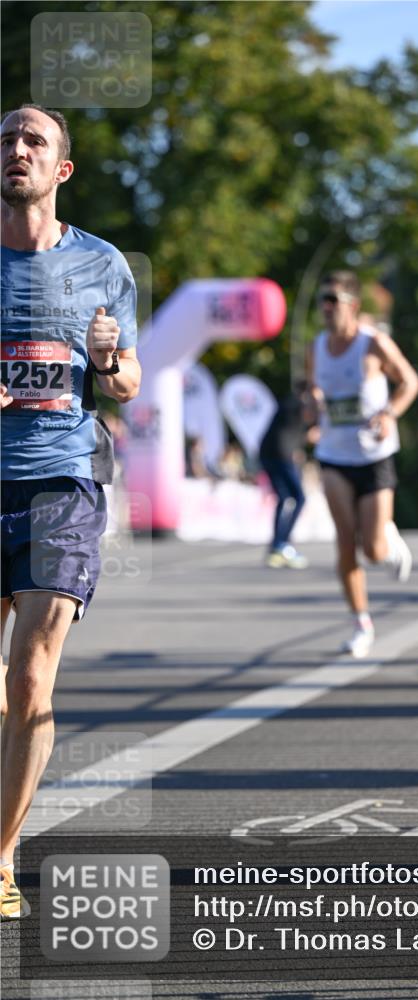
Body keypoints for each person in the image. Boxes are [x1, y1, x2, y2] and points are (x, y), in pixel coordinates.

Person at [0, 104, 141, 919]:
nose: (16, 150)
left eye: (33, 142)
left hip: (64, 483)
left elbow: (125, 383)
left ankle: (3, 855)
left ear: (62, 170)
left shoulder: (101, 263)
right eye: (6, 140)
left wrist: (106, 358)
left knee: (30, 680)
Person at [309, 271, 418, 658]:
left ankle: (387, 541)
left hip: (374, 456)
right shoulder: (317, 346)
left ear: (352, 306)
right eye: (323, 299)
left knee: (372, 550)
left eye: (333, 300)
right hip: (334, 456)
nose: (326, 307)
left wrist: (390, 413)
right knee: (345, 542)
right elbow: (314, 391)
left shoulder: (374, 344)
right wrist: (314, 407)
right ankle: (361, 623)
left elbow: (410, 382)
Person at [259, 384, 316, 569]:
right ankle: (281, 544)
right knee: (298, 498)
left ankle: (278, 545)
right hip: (279, 456)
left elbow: (295, 431)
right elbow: (309, 415)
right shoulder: (295, 403)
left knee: (284, 498)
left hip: (274, 454)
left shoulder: (290, 405)